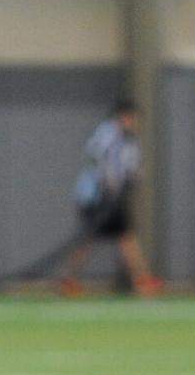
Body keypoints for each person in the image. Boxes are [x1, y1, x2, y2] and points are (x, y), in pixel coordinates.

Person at [59, 98, 165, 297]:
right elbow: (99, 160)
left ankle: (141, 279)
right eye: (132, 118)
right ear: (123, 116)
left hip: (111, 197)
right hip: (96, 197)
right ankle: (69, 279)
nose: (134, 122)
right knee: (90, 238)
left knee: (125, 237)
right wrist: (109, 182)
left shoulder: (127, 138)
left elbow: (129, 165)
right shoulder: (108, 134)